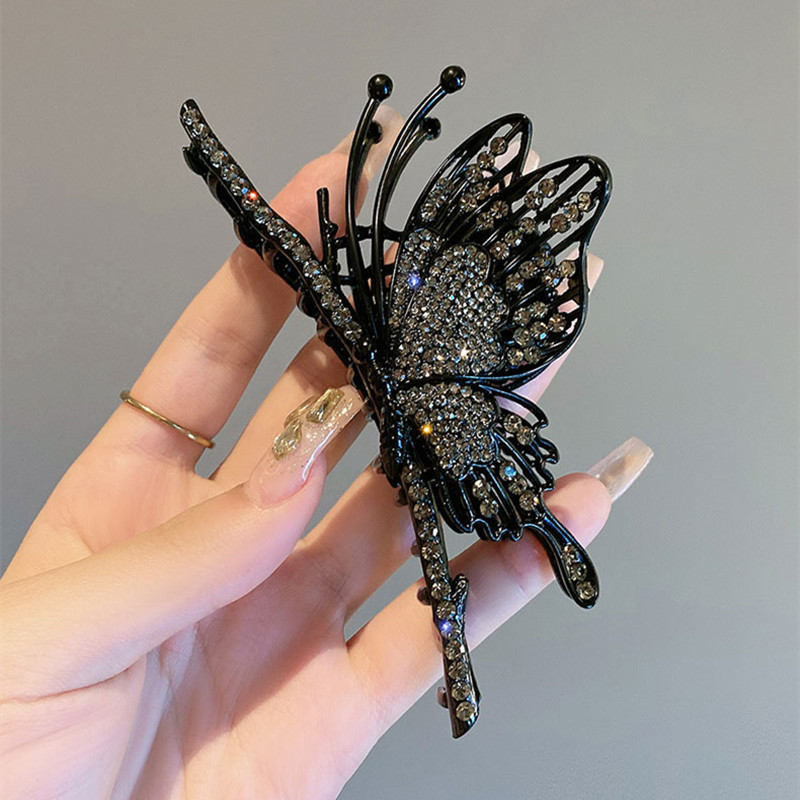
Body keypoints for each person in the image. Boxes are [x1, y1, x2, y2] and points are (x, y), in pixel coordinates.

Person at [0, 106, 652, 800]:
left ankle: (537, 537)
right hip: (453, 413)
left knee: (463, 499)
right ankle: (532, 548)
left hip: (465, 418)